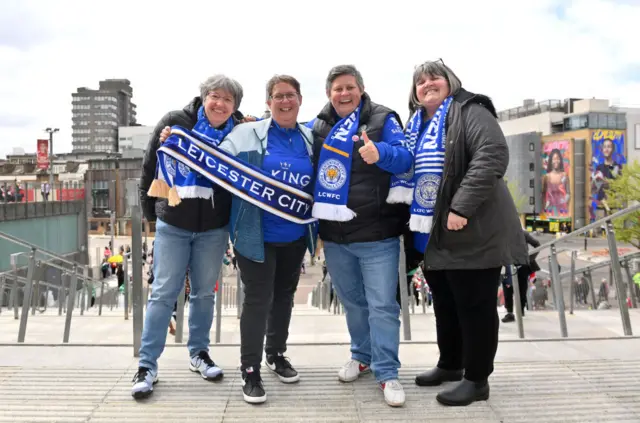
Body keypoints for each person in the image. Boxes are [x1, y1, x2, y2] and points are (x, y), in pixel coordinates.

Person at [395, 60, 528, 406]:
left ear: (450, 81)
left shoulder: (471, 111)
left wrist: (461, 207)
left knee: (475, 306)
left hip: (471, 228)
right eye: (420, 81)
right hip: (432, 234)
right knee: (446, 304)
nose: (427, 84)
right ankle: (451, 364)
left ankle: (477, 378)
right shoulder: (416, 124)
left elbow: (492, 155)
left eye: (434, 78)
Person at [132, 74, 246, 399]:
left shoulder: (239, 131)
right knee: (163, 294)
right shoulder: (174, 122)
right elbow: (149, 166)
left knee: (204, 294)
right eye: (215, 96)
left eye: (228, 100)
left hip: (214, 227)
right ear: (203, 97)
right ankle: (146, 365)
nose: (220, 104)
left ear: (235, 106)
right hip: (174, 222)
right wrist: (152, 214)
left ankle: (199, 353)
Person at [307, 65, 413, 407]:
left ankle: (387, 372)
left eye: (350, 87)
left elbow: (405, 158)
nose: (344, 93)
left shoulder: (383, 120)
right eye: (337, 88)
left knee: (382, 305)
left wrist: (380, 153)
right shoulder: (317, 125)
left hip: (377, 233)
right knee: (353, 303)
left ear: (361, 89)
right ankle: (362, 355)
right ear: (329, 93)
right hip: (335, 237)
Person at [214, 75, 317, 404]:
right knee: (258, 299)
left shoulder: (310, 138)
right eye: (277, 96)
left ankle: (275, 354)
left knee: (284, 297)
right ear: (268, 102)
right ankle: (250, 369)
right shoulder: (246, 133)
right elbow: (215, 164)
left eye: (290, 95)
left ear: (299, 99)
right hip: (253, 235)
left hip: (295, 235)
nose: (284, 101)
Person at [502, 230, 541, 322]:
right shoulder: (502, 232)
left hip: (521, 265)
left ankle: (519, 311)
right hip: (509, 264)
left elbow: (537, 244)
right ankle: (510, 312)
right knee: (508, 289)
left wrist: (529, 258)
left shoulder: (523, 233)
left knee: (521, 289)